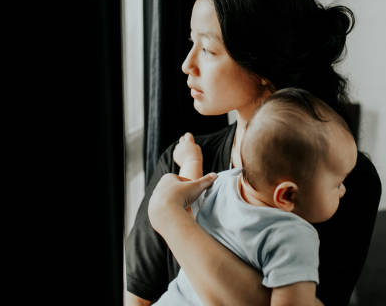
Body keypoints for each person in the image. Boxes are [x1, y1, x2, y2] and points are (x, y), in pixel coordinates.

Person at [125, 0, 382, 306]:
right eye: (191, 44)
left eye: (207, 49)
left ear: (260, 64)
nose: (187, 64)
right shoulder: (180, 161)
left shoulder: (341, 180)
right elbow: (138, 300)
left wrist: (171, 218)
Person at [152, 88, 358, 305]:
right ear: (287, 195)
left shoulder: (224, 181)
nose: (343, 190)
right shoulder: (293, 236)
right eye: (337, 183)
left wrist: (191, 162)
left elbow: (186, 202)